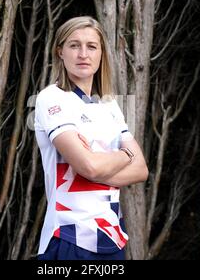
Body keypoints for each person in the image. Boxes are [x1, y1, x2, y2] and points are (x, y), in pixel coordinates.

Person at [34, 16, 148, 260]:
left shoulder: (109, 104)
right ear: (60, 52)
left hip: (112, 237)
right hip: (69, 235)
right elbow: (89, 166)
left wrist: (98, 165)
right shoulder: (51, 98)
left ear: (101, 54)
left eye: (91, 46)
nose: (83, 53)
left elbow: (141, 170)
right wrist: (124, 155)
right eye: (74, 45)